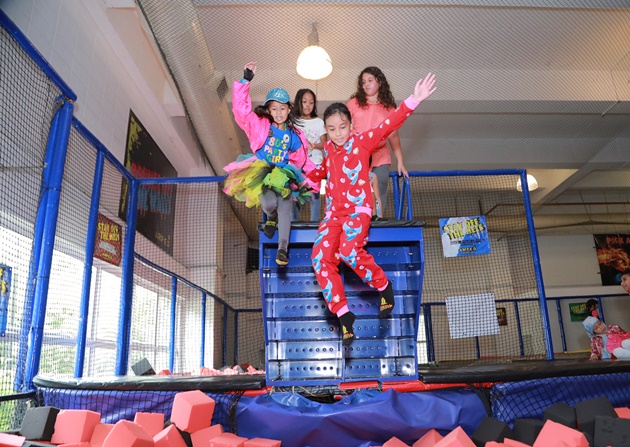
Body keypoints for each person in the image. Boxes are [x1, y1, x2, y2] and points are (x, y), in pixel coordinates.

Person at [309, 72, 437, 346]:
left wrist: (414, 100)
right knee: (320, 256)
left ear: (350, 124)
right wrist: (302, 179)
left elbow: (390, 123)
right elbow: (322, 171)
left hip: (357, 210)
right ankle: (343, 313)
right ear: (326, 131)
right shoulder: (329, 150)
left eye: (342, 127)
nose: (338, 134)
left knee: (347, 251)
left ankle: (383, 285)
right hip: (333, 214)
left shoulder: (362, 141)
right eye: (331, 130)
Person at [223, 62, 316, 265]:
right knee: (268, 204)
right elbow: (241, 112)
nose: (279, 112)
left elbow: (303, 158)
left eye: (283, 108)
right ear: (268, 110)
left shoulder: (294, 135)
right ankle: (270, 216)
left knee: (286, 209)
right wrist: (245, 81)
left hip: (283, 174)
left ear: (289, 108)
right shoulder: (259, 126)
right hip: (264, 172)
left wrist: (314, 178)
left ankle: (283, 249)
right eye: (274, 109)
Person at [347, 67, 408, 219]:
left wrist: (400, 161)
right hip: (357, 155)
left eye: (370, 80)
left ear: (379, 82)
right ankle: (357, 221)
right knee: (357, 188)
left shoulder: (388, 108)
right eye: (363, 82)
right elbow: (343, 128)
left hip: (380, 156)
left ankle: (378, 221)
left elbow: (394, 136)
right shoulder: (354, 103)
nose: (366, 85)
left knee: (379, 188)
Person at [291, 88, 327, 222]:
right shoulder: (293, 122)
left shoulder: (319, 122)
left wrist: (312, 145)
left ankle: (314, 223)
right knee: (295, 193)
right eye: (304, 102)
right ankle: (293, 223)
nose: (308, 105)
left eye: (311, 103)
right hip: (297, 164)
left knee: (314, 194)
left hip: (315, 163)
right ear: (298, 102)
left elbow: (325, 144)